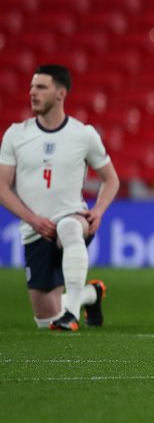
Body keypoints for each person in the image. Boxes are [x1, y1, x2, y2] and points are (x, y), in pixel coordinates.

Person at [0, 65, 117, 331]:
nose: (32, 93)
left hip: (73, 217)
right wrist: (32, 219)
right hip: (34, 230)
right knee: (45, 320)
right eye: (31, 87)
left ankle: (72, 314)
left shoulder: (83, 134)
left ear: (61, 93)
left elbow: (111, 179)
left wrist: (97, 211)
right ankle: (91, 294)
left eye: (41, 87)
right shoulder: (16, 135)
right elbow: (2, 186)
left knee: (69, 227)